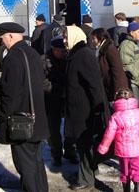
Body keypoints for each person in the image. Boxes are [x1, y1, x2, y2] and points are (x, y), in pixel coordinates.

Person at [0, 22, 50, 191]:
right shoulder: (32, 53)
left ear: (10, 36)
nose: (2, 42)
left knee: (25, 165)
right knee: (36, 162)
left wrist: (3, 117)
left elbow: (9, 94)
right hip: (37, 118)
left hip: (20, 121)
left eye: (3, 38)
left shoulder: (12, 57)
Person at [63, 25, 108, 190]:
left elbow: (94, 84)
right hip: (79, 109)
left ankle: (86, 179)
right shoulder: (76, 54)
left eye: (66, 37)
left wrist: (98, 109)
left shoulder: (83, 55)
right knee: (83, 144)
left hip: (85, 110)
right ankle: (88, 172)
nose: (64, 40)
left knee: (84, 145)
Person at [97, 88, 139, 192]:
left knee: (125, 173)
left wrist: (104, 147)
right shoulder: (138, 112)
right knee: (138, 171)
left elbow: (109, 134)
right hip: (138, 151)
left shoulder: (115, 117)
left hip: (123, 152)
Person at [44, 36, 78, 167]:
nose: (62, 53)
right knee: (53, 130)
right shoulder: (44, 61)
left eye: (64, 51)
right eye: (59, 51)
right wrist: (57, 90)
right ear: (53, 49)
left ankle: (70, 151)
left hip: (67, 99)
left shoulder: (69, 59)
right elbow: (42, 81)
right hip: (51, 99)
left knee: (70, 128)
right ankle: (56, 154)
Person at [90, 28, 129, 102]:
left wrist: (118, 91)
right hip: (108, 87)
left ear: (100, 37)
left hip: (115, 88)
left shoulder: (110, 49)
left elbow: (117, 71)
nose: (92, 41)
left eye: (94, 38)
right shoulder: (101, 49)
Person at [119, 22, 139, 102]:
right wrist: (136, 76)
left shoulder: (134, 44)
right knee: (134, 104)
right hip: (133, 82)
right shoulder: (126, 45)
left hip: (137, 81)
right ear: (132, 33)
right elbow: (126, 64)